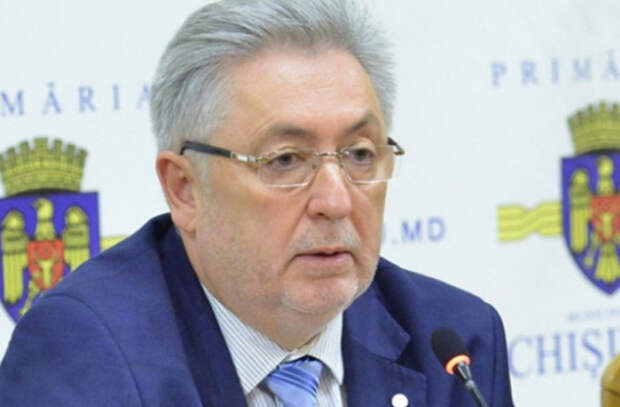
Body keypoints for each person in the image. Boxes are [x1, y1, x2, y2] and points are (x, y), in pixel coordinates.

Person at [0, 1, 515, 406]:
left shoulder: (455, 346)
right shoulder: (86, 353)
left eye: (359, 154)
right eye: (286, 160)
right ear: (184, 189)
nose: (336, 201)